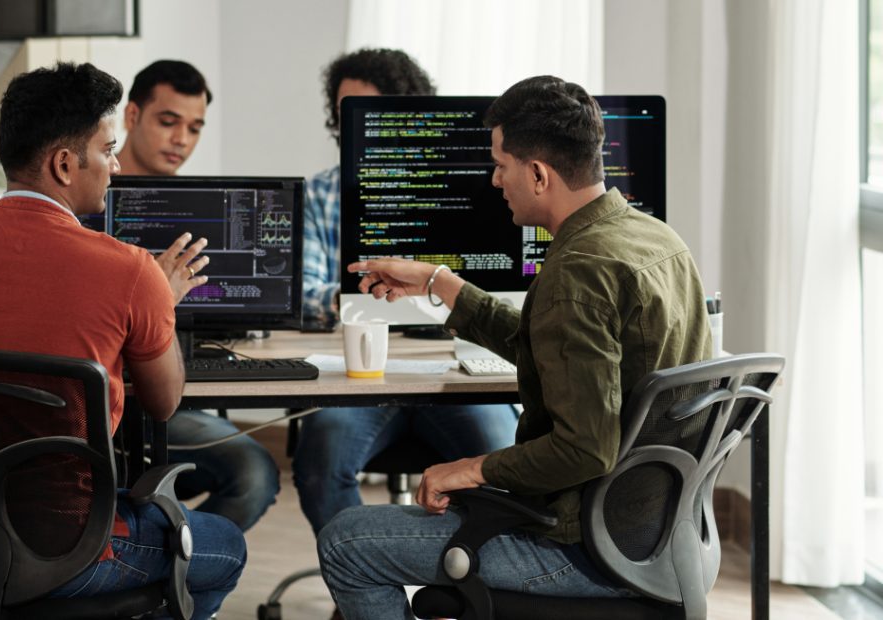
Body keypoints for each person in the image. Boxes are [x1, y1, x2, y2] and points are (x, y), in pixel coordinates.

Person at [316, 75, 711, 619]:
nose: (495, 179)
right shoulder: (655, 238)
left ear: (540, 174)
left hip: (585, 550)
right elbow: (551, 347)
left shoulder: (577, 271)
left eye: (501, 164)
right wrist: (442, 284)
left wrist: (469, 469)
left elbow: (584, 449)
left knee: (346, 543)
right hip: (661, 536)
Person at [0, 61, 245, 618]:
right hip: (68, 550)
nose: (116, 164)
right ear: (63, 164)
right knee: (224, 546)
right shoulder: (130, 269)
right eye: (108, 150)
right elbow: (165, 400)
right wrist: (161, 302)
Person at [295, 48, 519, 538]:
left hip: (456, 370)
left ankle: (459, 583)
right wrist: (369, 297)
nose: (354, 125)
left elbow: (498, 295)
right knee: (319, 463)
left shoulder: (475, 190)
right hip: (362, 376)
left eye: (370, 114)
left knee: (507, 459)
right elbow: (306, 295)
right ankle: (365, 585)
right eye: (344, 113)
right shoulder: (321, 194)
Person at [117, 59, 280, 532]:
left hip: (175, 396)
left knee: (255, 474)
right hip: (99, 401)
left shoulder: (200, 211)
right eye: (168, 122)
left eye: (194, 128)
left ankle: (176, 569)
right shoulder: (89, 201)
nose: (181, 140)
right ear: (132, 116)